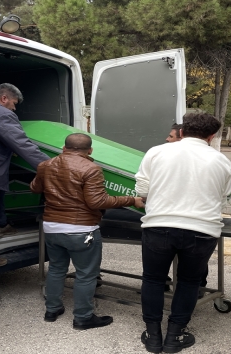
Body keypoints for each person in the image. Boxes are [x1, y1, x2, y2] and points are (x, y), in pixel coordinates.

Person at [136, 113, 231, 353]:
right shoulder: (222, 161)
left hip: (159, 225)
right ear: (211, 137)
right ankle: (175, 335)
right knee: (189, 282)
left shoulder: (156, 152)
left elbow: (141, 188)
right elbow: (224, 197)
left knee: (153, 279)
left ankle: (152, 335)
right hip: (202, 230)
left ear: (181, 132)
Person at [30, 133, 145, 330]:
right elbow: (97, 202)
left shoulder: (45, 165)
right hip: (80, 229)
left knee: (57, 269)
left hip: (51, 226)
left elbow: (35, 188)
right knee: (86, 274)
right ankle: (83, 317)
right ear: (90, 151)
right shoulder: (92, 169)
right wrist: (129, 200)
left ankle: (52, 309)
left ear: (64, 148)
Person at [0, 83, 49, 266]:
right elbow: (22, 144)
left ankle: (0, 226)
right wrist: (51, 166)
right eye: (13, 103)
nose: (14, 108)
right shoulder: (1, 113)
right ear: (4, 98)